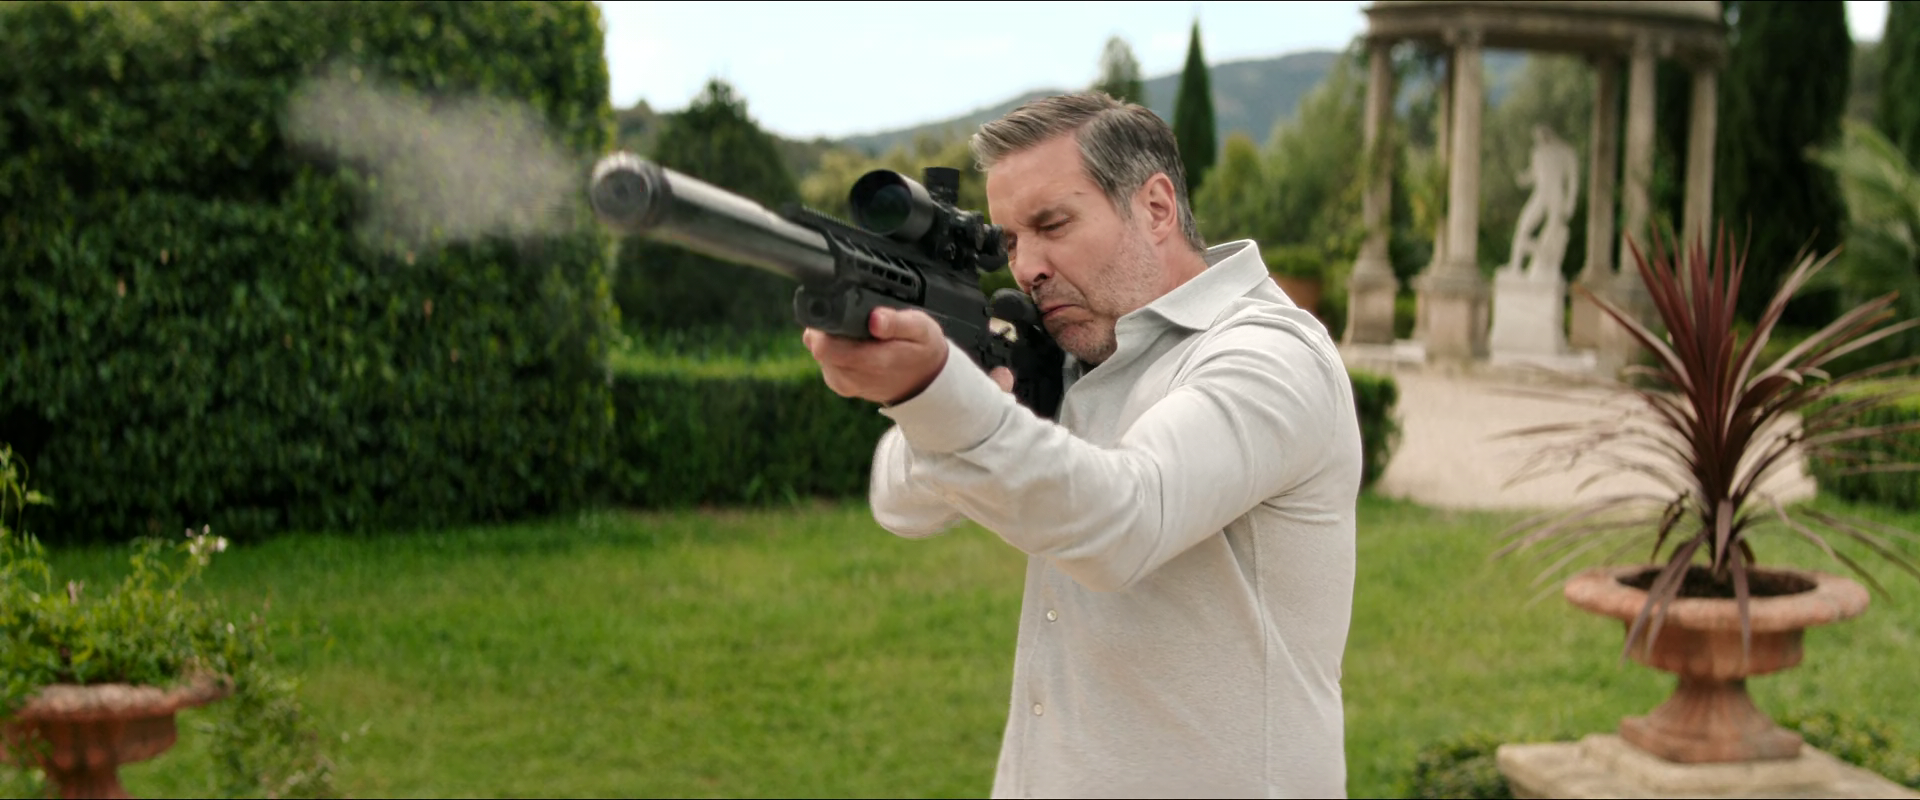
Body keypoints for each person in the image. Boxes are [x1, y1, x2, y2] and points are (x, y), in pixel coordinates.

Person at [801, 91, 1361, 799]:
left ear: (1155, 208)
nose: (1026, 268)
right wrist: (967, 398)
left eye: (1052, 224)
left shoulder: (1270, 355)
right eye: (1009, 241)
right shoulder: (1076, 352)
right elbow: (898, 504)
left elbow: (1125, 522)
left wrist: (944, 394)